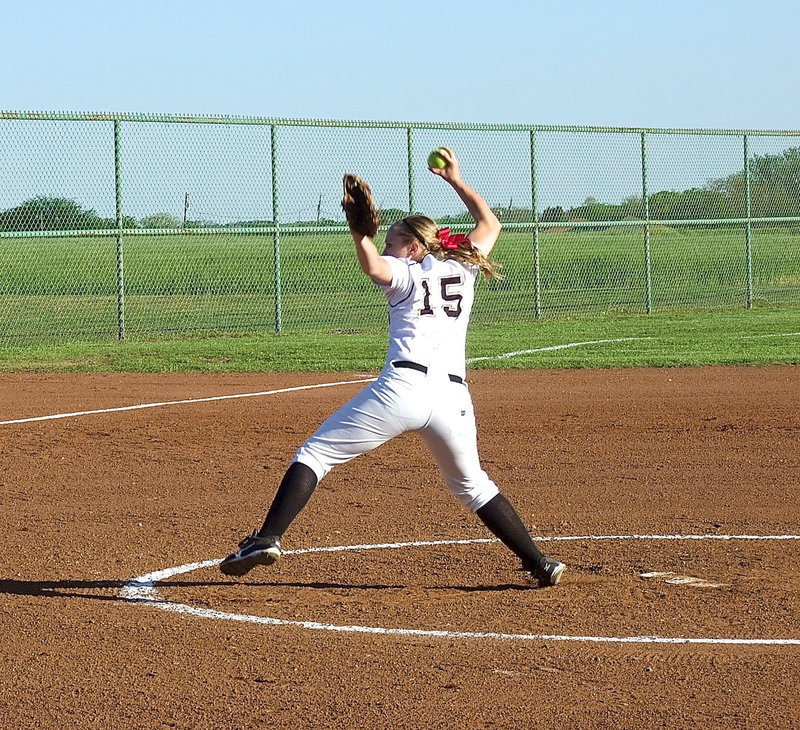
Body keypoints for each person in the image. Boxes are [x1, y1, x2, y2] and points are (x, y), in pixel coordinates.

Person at [220, 148, 566, 587]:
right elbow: (491, 224)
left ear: (415, 247)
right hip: (453, 398)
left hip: (403, 388)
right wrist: (455, 180)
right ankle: (538, 563)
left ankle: (267, 537)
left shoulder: (406, 272)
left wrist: (358, 233)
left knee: (316, 453)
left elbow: (372, 265)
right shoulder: (462, 268)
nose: (388, 246)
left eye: (393, 240)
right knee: (473, 485)